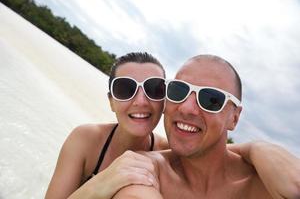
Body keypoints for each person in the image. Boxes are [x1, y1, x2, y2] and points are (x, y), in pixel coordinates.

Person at [113, 54, 300, 198]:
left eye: (211, 99)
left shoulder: (267, 183)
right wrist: (254, 148)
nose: (186, 108)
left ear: (234, 118)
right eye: (178, 91)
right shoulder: (144, 171)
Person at [45, 52, 169, 199]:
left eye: (154, 90)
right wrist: (101, 183)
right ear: (111, 102)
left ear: (164, 102)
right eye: (125, 90)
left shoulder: (169, 153)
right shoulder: (85, 140)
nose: (141, 101)